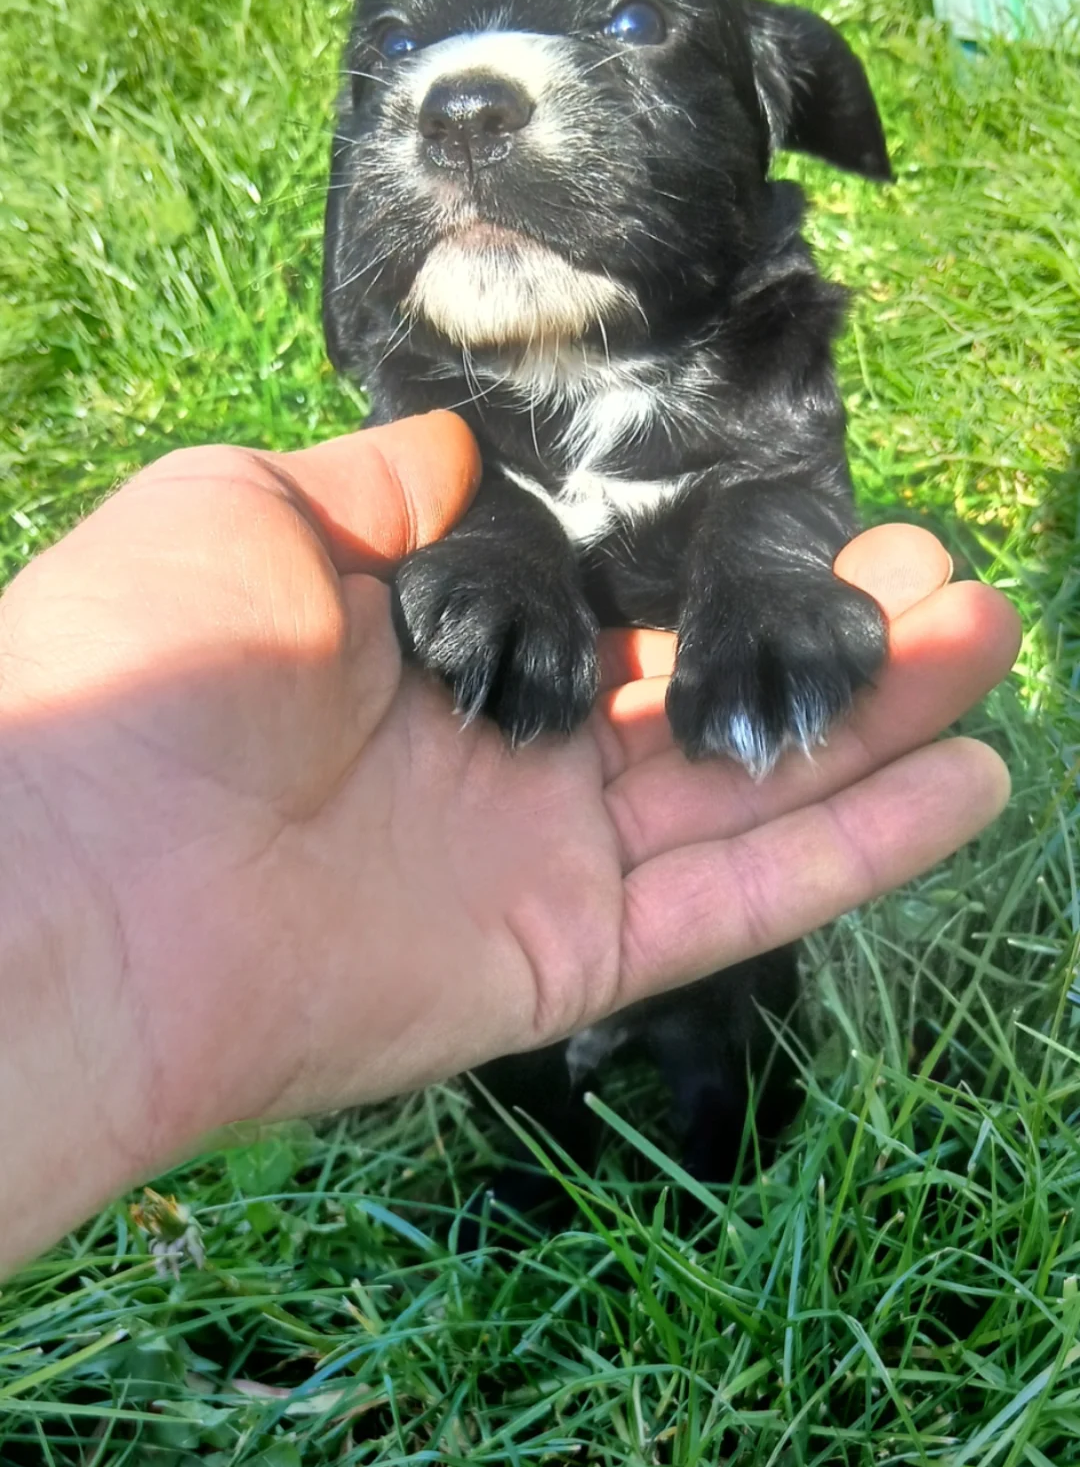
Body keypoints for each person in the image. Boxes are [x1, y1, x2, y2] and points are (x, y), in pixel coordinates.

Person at [0, 412, 1020, 1274]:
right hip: (476, 876)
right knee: (517, 1076)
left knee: (737, 1052)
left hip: (664, 824)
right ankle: (548, 1168)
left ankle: (731, 1171)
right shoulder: (457, 429)